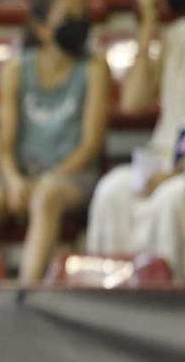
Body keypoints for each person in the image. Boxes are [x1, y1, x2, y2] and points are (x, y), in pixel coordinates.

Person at [0, 0, 110, 283]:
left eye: (81, 16)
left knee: (46, 196)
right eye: (67, 17)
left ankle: (27, 294)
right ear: (41, 28)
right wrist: (13, 179)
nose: (77, 23)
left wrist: (49, 178)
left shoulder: (94, 67)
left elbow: (91, 144)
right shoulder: (15, 70)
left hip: (73, 175)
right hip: (25, 173)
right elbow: (4, 143)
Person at [86, 0, 185, 279]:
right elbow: (133, 102)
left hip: (178, 174)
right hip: (163, 160)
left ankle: (166, 303)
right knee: (111, 191)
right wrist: (148, 28)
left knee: (171, 201)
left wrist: (173, 174)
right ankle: (109, 295)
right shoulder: (175, 35)